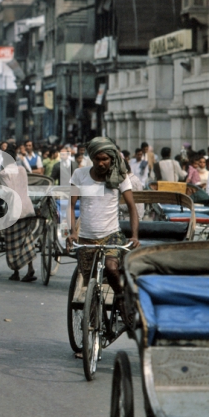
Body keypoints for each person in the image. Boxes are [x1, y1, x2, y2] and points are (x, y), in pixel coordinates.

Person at [67, 137, 140, 327]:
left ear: (111, 158)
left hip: (111, 235)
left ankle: (122, 300)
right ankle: (91, 331)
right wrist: (72, 232)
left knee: (112, 268)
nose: (102, 163)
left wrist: (134, 235)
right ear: (92, 158)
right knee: (89, 287)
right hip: (86, 237)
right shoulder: (79, 175)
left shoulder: (120, 177)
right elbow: (71, 205)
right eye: (98, 159)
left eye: (105, 159)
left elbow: (132, 207)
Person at [0, 145, 39, 282]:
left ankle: (16, 272)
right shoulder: (22, 170)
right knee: (27, 240)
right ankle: (30, 268)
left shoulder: (3, 173)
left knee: (13, 242)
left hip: (14, 210)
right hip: (27, 207)